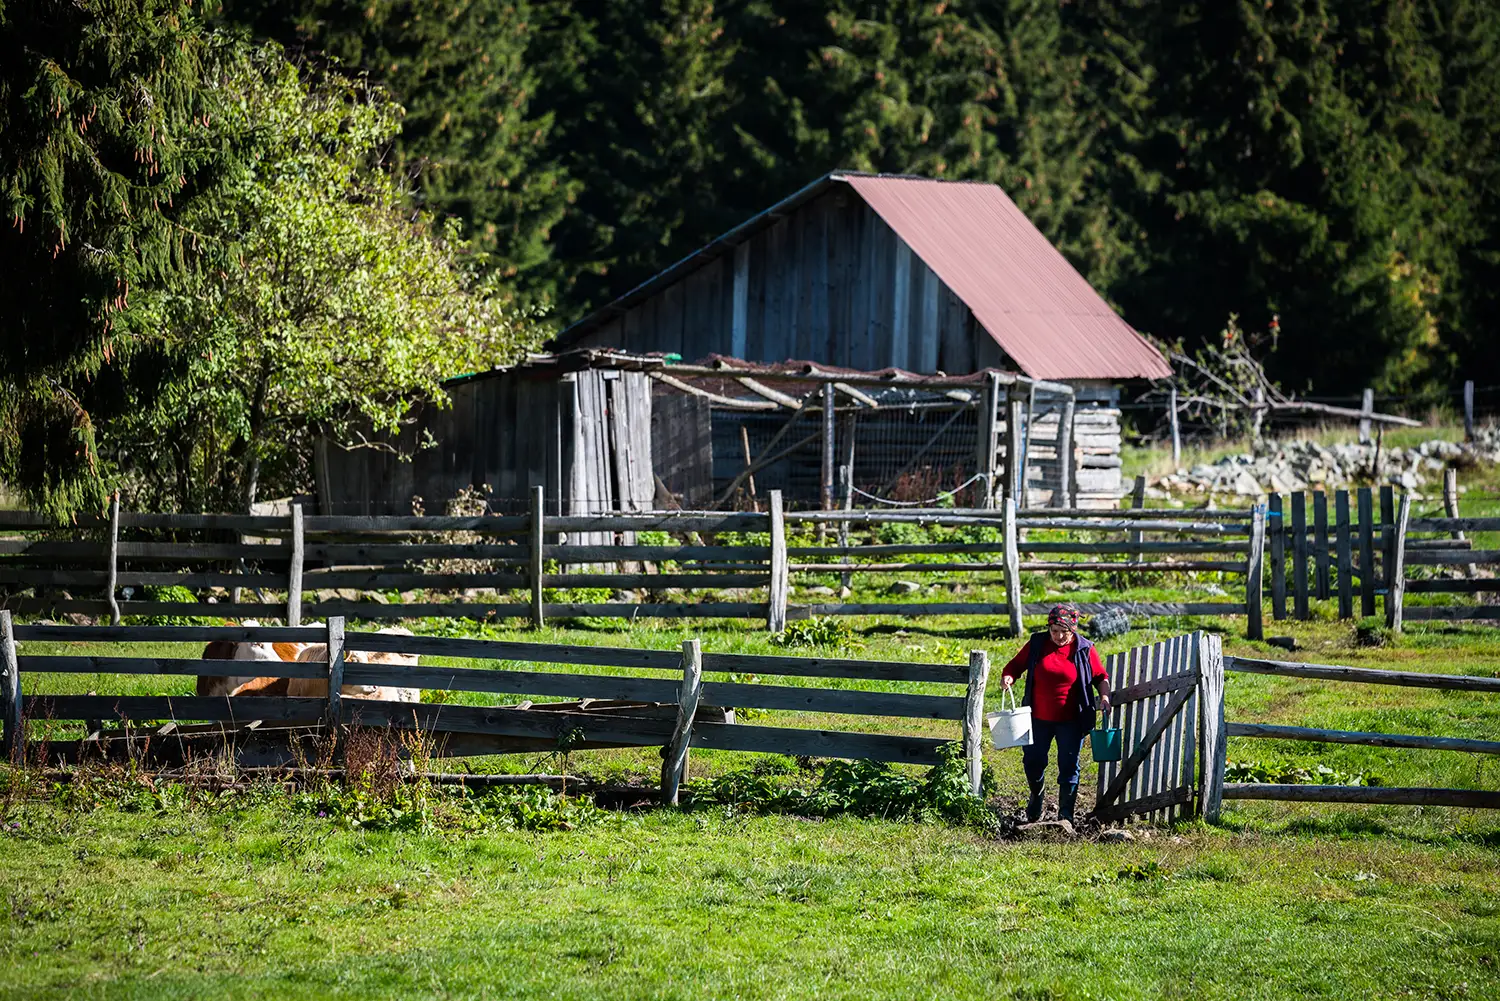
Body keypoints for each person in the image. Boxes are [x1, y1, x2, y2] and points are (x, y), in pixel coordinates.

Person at [1000, 604, 1112, 823]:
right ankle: (1037, 794)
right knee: (1032, 761)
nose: (1059, 636)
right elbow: (1015, 665)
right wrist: (1008, 677)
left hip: (1072, 720)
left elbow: (1100, 676)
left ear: (1073, 629)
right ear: (1049, 629)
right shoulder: (1037, 644)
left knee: (1069, 764)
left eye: (1064, 632)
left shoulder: (1084, 649)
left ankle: (1066, 814)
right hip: (1037, 718)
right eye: (1054, 631)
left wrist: (1105, 696)